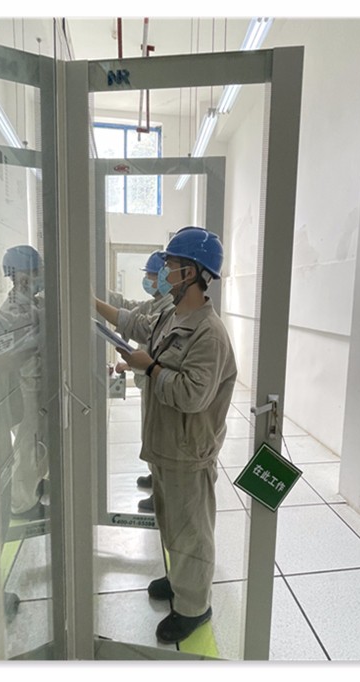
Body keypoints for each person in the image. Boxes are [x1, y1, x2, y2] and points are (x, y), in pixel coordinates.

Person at [94, 226, 237, 644]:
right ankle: (179, 581)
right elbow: (134, 322)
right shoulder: (171, 314)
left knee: (192, 532)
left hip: (189, 450)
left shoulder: (209, 334)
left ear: (192, 272)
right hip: (165, 443)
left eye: (171, 265)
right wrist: (90, 302)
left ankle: (194, 607)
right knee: (171, 522)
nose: (164, 272)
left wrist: (150, 367)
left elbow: (193, 396)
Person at [105, 250, 174, 513]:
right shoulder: (155, 303)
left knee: (160, 438)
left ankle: (162, 493)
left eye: (152, 276)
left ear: (165, 276)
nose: (148, 280)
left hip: (158, 383)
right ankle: (156, 477)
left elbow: (151, 344)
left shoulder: (168, 308)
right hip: (149, 382)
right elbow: (128, 308)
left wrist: (131, 362)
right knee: (151, 434)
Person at [0, 244, 48, 522]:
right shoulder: (11, 311)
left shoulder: (33, 304)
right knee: (26, 445)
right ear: (20, 276)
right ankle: (22, 503)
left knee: (37, 443)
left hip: (37, 386)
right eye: (35, 271)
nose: (40, 276)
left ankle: (34, 487)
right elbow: (12, 353)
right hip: (25, 388)